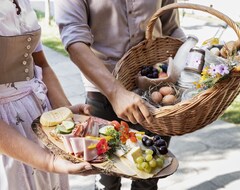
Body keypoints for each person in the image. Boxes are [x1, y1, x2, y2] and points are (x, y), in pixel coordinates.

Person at [55, 0, 186, 189]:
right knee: (106, 177)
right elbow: (74, 42)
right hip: (103, 93)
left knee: (149, 178)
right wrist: (116, 93)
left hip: (156, 89)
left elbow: (172, 29)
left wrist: (194, 62)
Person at [0, 1, 95, 190]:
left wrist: (64, 113)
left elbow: (42, 66)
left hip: (40, 119)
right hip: (8, 136)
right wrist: (49, 162)